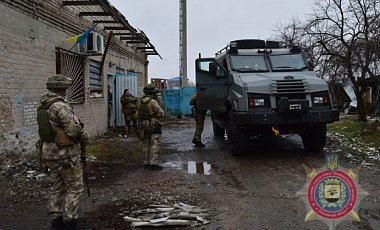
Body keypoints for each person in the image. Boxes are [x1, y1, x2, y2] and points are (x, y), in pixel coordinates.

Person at [36, 75, 89, 230]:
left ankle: (56, 220)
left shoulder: (43, 104)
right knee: (75, 187)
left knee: (56, 186)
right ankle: (71, 220)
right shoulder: (60, 106)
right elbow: (73, 129)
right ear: (62, 88)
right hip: (65, 153)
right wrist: (84, 136)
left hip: (48, 152)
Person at [137, 84, 165, 170]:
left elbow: (137, 114)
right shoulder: (152, 101)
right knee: (154, 143)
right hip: (152, 124)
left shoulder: (140, 101)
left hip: (142, 124)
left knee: (146, 142)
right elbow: (161, 113)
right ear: (152, 92)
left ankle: (146, 162)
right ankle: (153, 163)